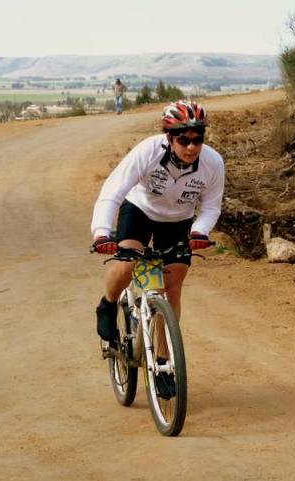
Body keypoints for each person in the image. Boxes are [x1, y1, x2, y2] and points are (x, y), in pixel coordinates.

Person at [90, 100, 225, 394]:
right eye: (184, 140)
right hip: (140, 211)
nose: (191, 147)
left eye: (198, 139)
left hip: (178, 221)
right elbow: (112, 192)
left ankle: (163, 361)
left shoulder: (213, 163)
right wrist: (102, 233)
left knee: (172, 287)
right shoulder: (148, 152)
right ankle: (108, 304)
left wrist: (200, 231)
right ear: (169, 138)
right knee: (127, 263)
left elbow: (212, 206)